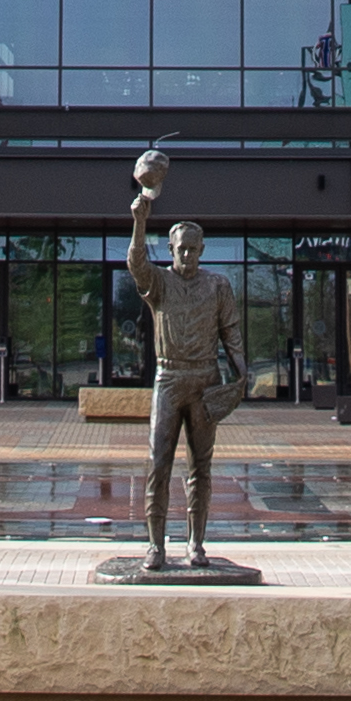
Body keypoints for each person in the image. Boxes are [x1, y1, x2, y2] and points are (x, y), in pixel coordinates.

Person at [125, 154, 240, 569]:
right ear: (171, 249)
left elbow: (232, 334)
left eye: (193, 249)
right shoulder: (160, 283)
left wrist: (241, 378)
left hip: (205, 380)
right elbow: (136, 264)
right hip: (169, 379)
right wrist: (140, 221)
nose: (187, 255)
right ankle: (156, 545)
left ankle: (196, 544)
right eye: (180, 249)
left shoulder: (218, 285)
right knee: (158, 463)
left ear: (202, 249)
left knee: (201, 467)